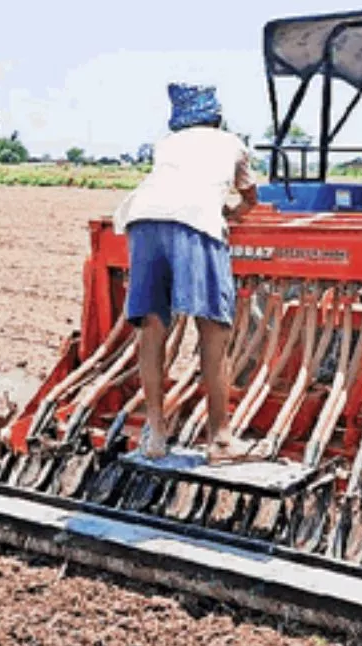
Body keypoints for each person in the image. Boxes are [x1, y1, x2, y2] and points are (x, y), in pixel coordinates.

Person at [112, 83, 259, 460]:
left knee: (152, 330)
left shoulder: (167, 144)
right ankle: (220, 439)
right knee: (213, 330)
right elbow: (250, 196)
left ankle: (156, 435)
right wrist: (233, 214)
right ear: (216, 114)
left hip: (142, 222)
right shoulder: (232, 143)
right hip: (195, 224)